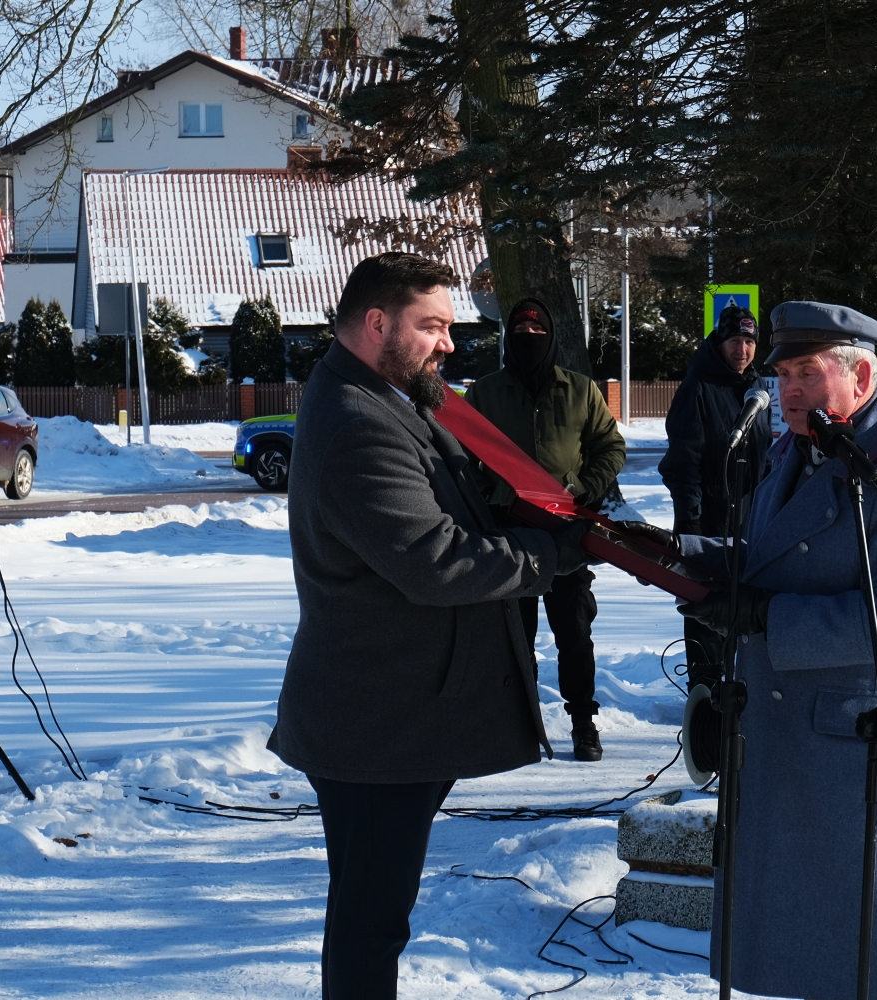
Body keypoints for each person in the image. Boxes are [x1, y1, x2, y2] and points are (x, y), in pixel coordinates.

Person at [269, 253, 592, 1000]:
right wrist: (548, 555)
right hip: (377, 723)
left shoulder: (386, 395)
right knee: (371, 921)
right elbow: (433, 561)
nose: (449, 343)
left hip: (391, 712)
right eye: (433, 326)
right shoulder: (359, 422)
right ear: (377, 323)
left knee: (371, 913)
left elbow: (453, 500)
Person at [648, 301, 877, 999]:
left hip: (856, 750)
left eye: (806, 373)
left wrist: (764, 617)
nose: (786, 390)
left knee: (862, 961)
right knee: (795, 954)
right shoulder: (789, 448)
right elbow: (769, 554)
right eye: (782, 372)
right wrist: (681, 554)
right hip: (781, 736)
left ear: (863, 374)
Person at [464, 298, 626, 761]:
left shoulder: (580, 391)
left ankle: (583, 724)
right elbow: (461, 458)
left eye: (538, 335)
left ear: (551, 339)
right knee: (516, 633)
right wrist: (490, 494)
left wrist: (583, 488)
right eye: (520, 334)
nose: (529, 342)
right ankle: (520, 722)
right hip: (509, 532)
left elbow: (610, 447)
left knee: (573, 631)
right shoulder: (486, 394)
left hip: (566, 532)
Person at [658, 304, 771, 690]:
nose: (743, 349)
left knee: (745, 614)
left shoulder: (756, 390)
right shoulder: (698, 387)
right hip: (707, 520)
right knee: (708, 616)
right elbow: (681, 461)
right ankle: (706, 702)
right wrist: (689, 519)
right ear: (720, 342)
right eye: (735, 341)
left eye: (749, 341)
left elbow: (764, 458)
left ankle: (741, 700)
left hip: (751, 523)